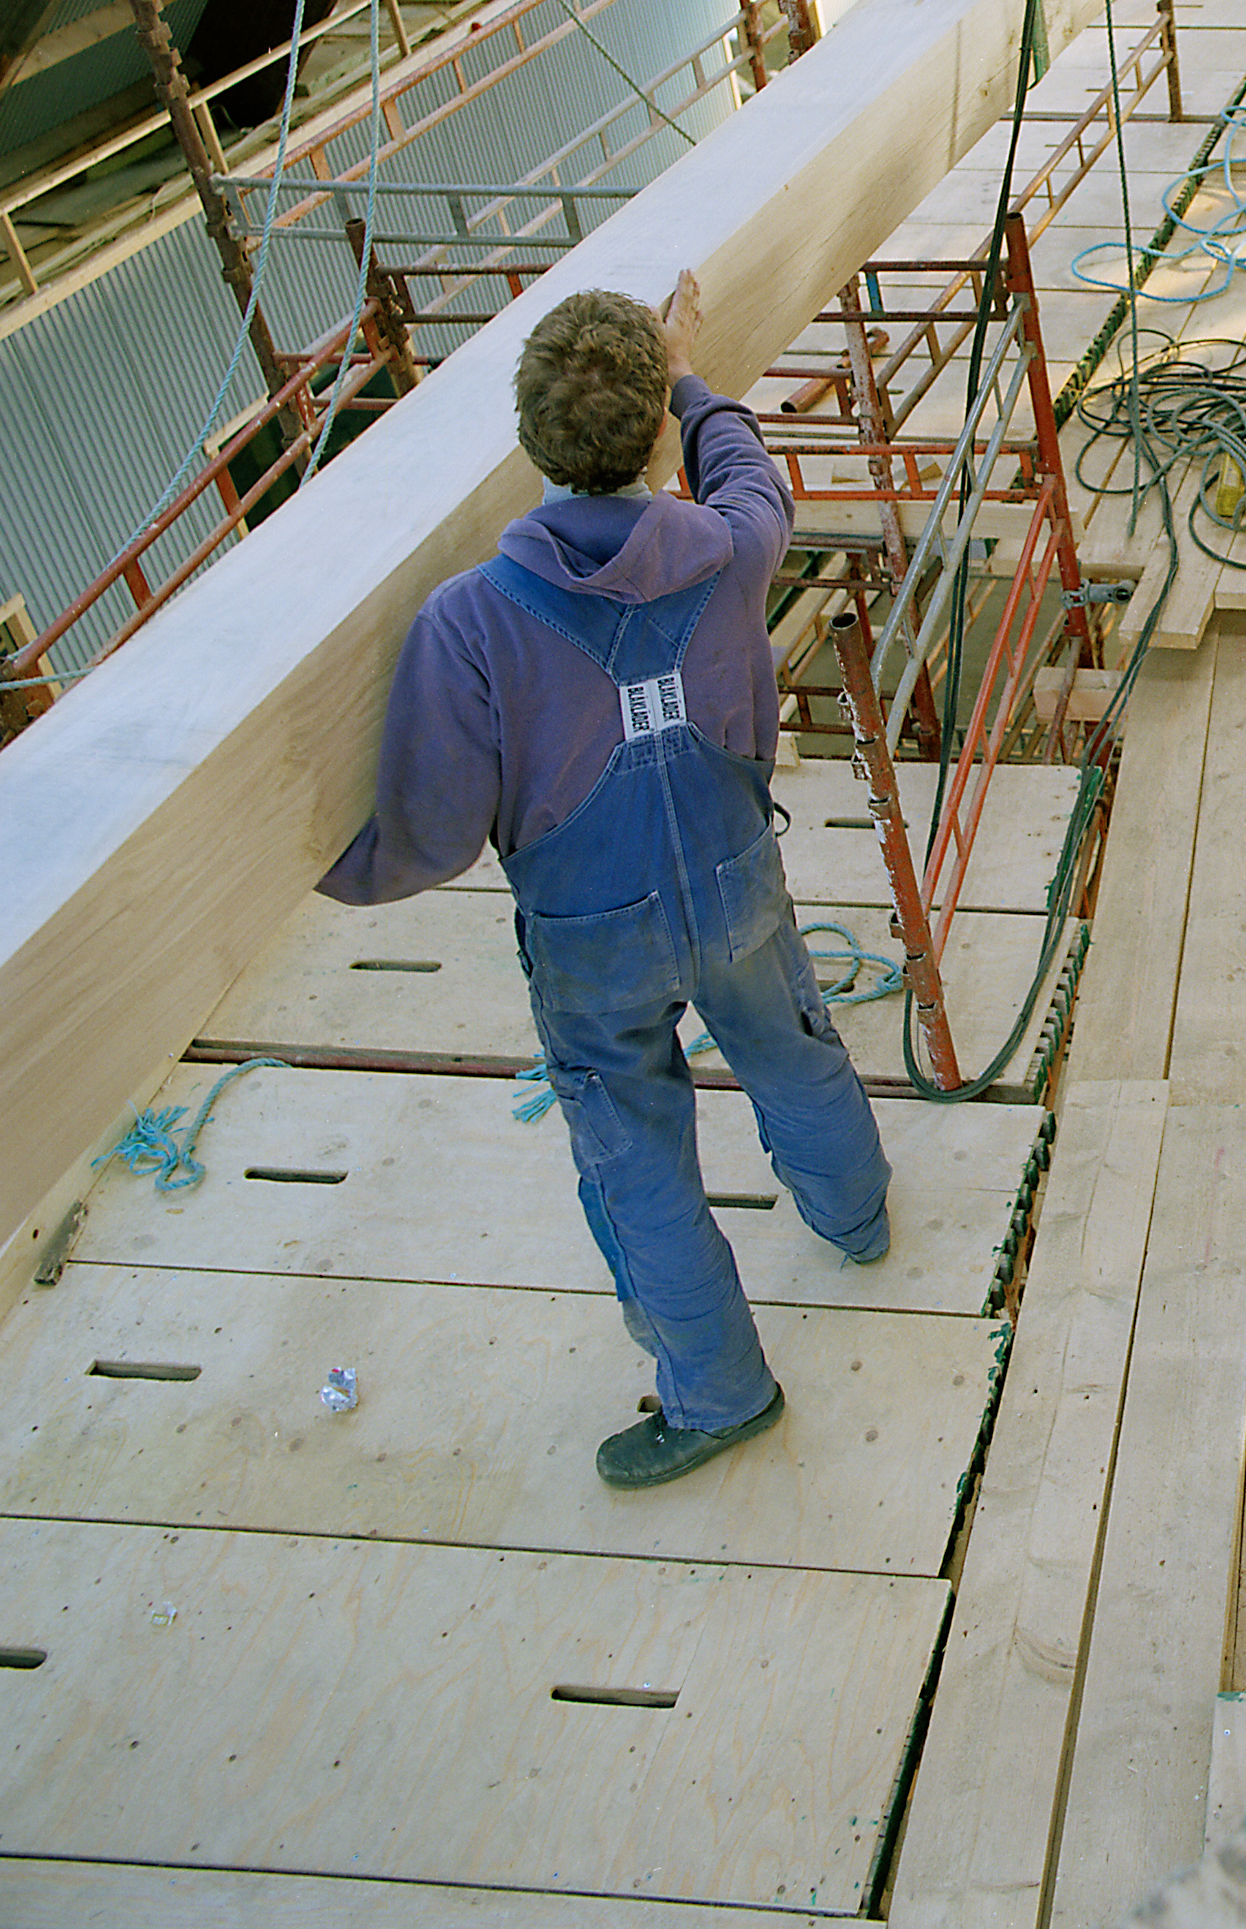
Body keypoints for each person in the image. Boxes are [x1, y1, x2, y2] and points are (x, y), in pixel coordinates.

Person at [321, 271, 892, 1490]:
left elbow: (430, 834)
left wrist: (328, 871)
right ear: (654, 444)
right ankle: (857, 1217)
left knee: (637, 1163)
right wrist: (685, 371)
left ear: (529, 443)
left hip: (593, 938)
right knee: (795, 1049)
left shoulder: (469, 620)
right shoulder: (736, 549)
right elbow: (744, 464)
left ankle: (722, 1395)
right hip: (737, 885)